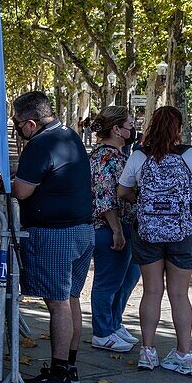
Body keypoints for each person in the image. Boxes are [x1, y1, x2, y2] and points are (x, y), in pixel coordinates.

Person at [10, 91, 93, 383]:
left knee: (58, 304)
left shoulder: (41, 143)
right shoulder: (69, 135)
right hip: (82, 230)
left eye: (17, 123)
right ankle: (68, 369)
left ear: (30, 122)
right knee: (71, 300)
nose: (17, 127)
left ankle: (59, 375)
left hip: (56, 235)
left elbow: (21, 191)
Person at [118, 106, 192, 376]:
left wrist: (142, 201)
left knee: (151, 291)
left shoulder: (138, 156)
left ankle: (147, 351)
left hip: (148, 231)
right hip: (185, 231)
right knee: (180, 293)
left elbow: (122, 191)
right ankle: (184, 354)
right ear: (179, 129)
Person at [87, 107, 141, 353]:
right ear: (117, 129)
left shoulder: (117, 155)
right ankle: (102, 331)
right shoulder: (105, 157)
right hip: (109, 227)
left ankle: (114, 323)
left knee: (126, 278)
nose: (133, 129)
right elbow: (105, 197)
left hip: (124, 225)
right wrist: (116, 229)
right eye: (130, 124)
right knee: (108, 281)